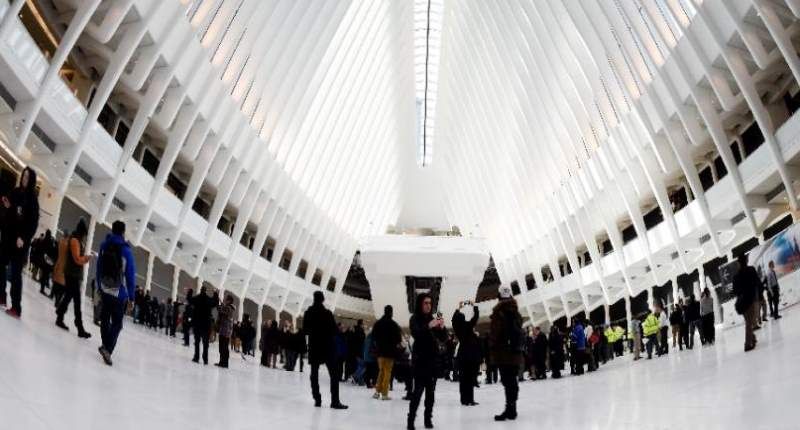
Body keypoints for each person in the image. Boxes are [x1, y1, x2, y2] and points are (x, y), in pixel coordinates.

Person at [0, 167, 40, 318]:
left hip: (20, 242)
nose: (24, 178)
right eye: (24, 175)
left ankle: (16, 307)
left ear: (31, 180)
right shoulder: (16, 192)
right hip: (8, 237)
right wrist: (8, 205)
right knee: (1, 264)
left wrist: (23, 238)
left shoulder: (32, 199)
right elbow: (12, 212)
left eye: (28, 177)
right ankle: (1, 296)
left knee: (16, 274)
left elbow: (33, 223)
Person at [96, 221, 136, 366]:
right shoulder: (126, 251)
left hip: (104, 288)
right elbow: (130, 276)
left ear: (112, 230)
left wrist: (99, 286)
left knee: (105, 319)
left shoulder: (104, 245)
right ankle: (107, 348)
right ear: (123, 232)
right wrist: (131, 297)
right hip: (119, 293)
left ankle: (105, 345)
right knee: (117, 323)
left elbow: (99, 267)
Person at [407, 293, 446, 430]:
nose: (428, 305)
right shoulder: (414, 318)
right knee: (417, 393)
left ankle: (428, 418)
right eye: (426, 303)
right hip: (420, 362)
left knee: (431, 393)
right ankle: (411, 420)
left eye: (430, 303)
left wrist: (442, 327)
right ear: (420, 304)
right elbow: (416, 333)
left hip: (432, 362)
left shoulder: (432, 319)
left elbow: (443, 338)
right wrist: (429, 326)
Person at [303, 291, 348, 410]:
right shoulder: (327, 313)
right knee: (334, 375)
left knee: (314, 374)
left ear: (314, 299)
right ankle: (335, 401)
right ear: (323, 299)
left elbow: (305, 330)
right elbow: (334, 331)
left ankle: (317, 399)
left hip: (314, 347)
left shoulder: (308, 313)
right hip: (327, 347)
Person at [489, 285, 524, 422]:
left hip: (504, 354)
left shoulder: (499, 313)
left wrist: (492, 345)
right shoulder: (515, 312)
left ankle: (510, 409)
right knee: (512, 381)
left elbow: (495, 334)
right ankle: (512, 409)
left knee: (507, 381)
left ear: (499, 296)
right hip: (515, 353)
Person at [54, 218, 93, 338]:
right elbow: (76, 259)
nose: (85, 237)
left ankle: (60, 315)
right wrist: (86, 258)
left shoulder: (76, 240)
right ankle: (79, 328)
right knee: (77, 301)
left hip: (73, 274)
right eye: (84, 234)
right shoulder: (75, 240)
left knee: (68, 297)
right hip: (72, 274)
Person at [452, 301, 480, 406]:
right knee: (470, 378)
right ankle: (470, 399)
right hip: (470, 356)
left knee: (463, 379)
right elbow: (475, 317)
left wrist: (458, 308)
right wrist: (475, 306)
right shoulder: (468, 326)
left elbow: (454, 319)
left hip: (462, 356)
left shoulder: (457, 328)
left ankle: (464, 400)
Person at [372, 304, 402, 400]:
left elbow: (373, 336)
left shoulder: (378, 323)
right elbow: (398, 339)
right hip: (390, 353)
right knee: (387, 372)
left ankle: (377, 392)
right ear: (391, 312)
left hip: (380, 352)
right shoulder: (394, 325)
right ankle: (384, 394)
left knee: (381, 371)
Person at [733, 254, 760, 351]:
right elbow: (757, 282)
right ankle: (747, 344)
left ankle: (753, 338)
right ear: (746, 261)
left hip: (741, 303)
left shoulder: (736, 276)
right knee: (749, 322)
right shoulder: (751, 270)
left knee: (748, 321)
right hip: (750, 300)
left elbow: (735, 291)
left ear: (739, 263)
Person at [190, 286, 216, 364]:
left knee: (197, 342)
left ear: (201, 290)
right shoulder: (209, 300)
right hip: (206, 325)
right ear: (206, 291)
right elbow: (215, 302)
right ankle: (205, 359)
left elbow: (190, 300)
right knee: (205, 343)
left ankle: (196, 357)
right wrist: (215, 294)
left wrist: (190, 291)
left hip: (197, 324)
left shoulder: (197, 298)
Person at [216, 295, 235, 368]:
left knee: (223, 347)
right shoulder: (228, 307)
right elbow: (221, 309)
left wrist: (219, 305)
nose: (225, 301)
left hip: (225, 331)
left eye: (226, 300)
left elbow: (221, 310)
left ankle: (224, 363)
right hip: (225, 330)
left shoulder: (229, 308)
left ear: (229, 301)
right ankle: (222, 362)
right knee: (223, 347)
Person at [37, 230, 57, 296]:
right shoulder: (50, 241)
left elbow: (40, 249)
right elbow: (51, 251)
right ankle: (42, 289)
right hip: (47, 261)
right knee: (45, 275)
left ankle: (42, 288)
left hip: (42, 259)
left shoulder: (44, 240)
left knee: (43, 274)